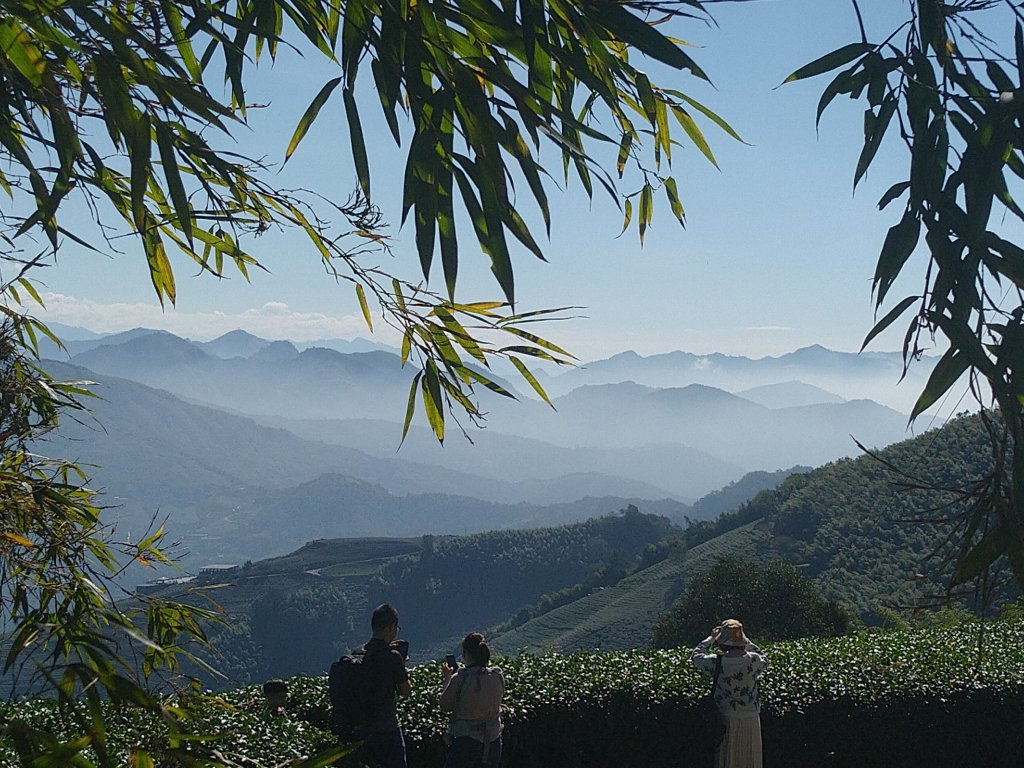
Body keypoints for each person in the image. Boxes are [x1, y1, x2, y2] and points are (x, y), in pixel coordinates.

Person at [691, 619, 769, 768]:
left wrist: (711, 638)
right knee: (749, 757)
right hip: (750, 716)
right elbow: (764, 657)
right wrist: (747, 642)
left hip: (726, 716)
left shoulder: (717, 661)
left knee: (728, 757)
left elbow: (696, 656)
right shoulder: (753, 660)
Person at [348, 603, 412, 768]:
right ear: (391, 627)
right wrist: (400, 666)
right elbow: (405, 691)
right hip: (386, 729)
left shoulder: (356, 653)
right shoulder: (392, 657)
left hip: (360, 729)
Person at [439, 632, 504, 768]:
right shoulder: (497, 676)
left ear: (467, 654)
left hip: (466, 742)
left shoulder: (460, 678)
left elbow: (445, 705)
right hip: (493, 740)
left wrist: (447, 679)